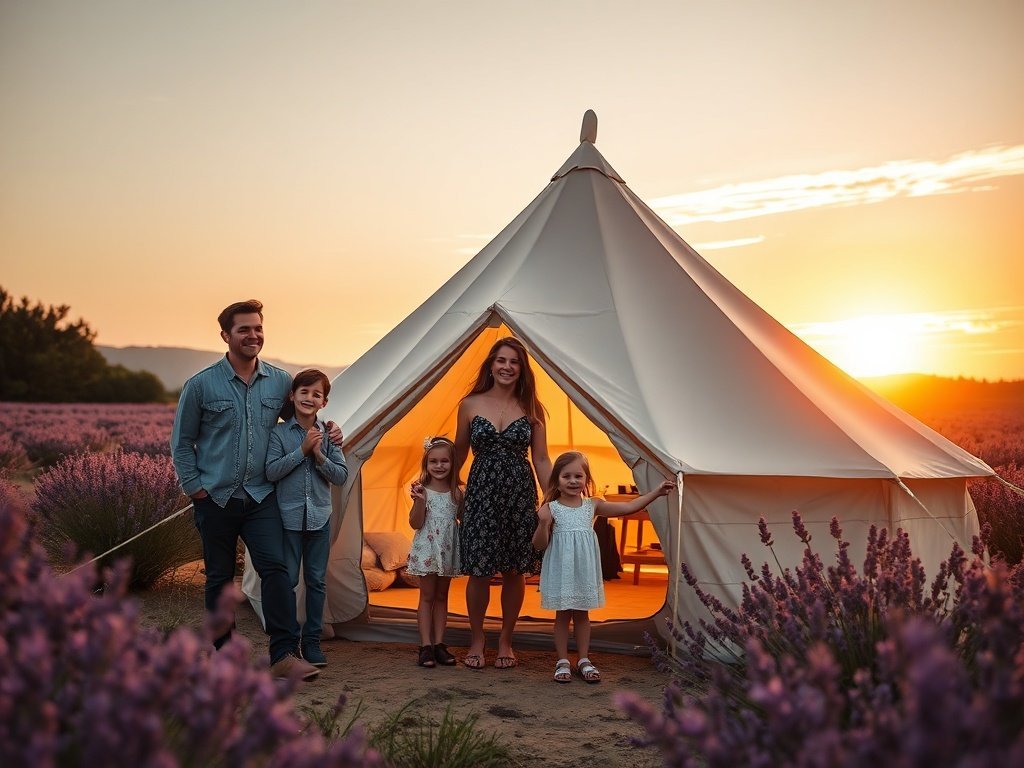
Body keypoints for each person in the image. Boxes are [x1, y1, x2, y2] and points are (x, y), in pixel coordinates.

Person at [171, 299, 342, 682]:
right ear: (225, 335)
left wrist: (331, 429)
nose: (253, 335)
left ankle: (284, 654)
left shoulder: (280, 382)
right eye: (244, 329)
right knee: (219, 578)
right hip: (215, 497)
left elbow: (301, 418)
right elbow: (181, 443)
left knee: (276, 571)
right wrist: (195, 488)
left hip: (262, 496)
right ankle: (225, 655)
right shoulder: (201, 385)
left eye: (258, 328)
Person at [532, 451, 674, 683]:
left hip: (584, 569)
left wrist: (656, 493)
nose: (573, 481)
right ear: (556, 479)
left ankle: (584, 659)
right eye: (566, 476)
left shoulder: (593, 505)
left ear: (586, 479)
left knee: (582, 613)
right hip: (561, 569)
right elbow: (539, 545)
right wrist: (543, 523)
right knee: (562, 614)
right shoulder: (551, 508)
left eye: (578, 476)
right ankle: (562, 660)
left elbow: (628, 508)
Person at [454, 336, 551, 670]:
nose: (507, 367)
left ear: (522, 369)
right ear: (491, 365)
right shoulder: (469, 404)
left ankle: (506, 639)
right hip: (481, 494)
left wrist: (553, 499)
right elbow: (458, 454)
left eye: (514, 362)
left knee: (514, 570)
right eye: (502, 360)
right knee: (479, 570)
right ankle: (477, 638)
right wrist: (445, 488)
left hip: (519, 494)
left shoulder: (532, 409)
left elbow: (541, 459)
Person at [265, 369, 348, 669]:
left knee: (316, 581)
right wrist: (301, 451)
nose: (309, 398)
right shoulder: (279, 434)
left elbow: (341, 476)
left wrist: (319, 456)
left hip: (319, 518)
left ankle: (312, 640)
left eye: (316, 394)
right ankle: (288, 641)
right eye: (304, 392)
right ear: (292, 395)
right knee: (287, 581)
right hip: (287, 519)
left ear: (324, 402)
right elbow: (271, 472)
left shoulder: (330, 435)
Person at [406, 436, 462, 668]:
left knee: (441, 596)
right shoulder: (423, 491)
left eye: (444, 461)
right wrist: (420, 501)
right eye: (433, 461)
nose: (439, 466)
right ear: (426, 464)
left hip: (447, 550)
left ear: (453, 463)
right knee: (427, 596)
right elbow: (415, 523)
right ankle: (425, 646)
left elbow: (463, 519)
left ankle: (439, 643)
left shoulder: (457, 493)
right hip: (428, 549)